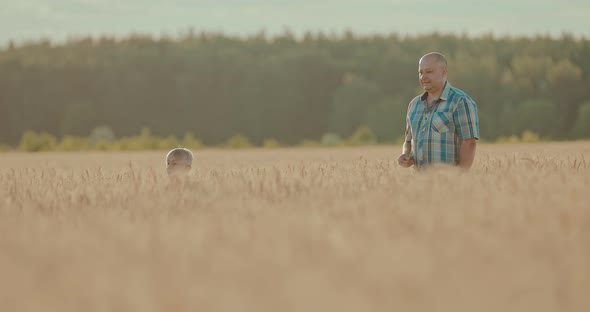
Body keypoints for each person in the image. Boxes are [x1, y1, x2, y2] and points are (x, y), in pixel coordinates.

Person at [398, 52, 479, 170]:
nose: (423, 77)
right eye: (421, 73)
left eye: (429, 72)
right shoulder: (414, 105)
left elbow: (469, 142)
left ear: (444, 72)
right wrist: (405, 155)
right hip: (417, 183)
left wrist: (461, 177)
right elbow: (408, 141)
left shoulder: (460, 101)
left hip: (448, 182)